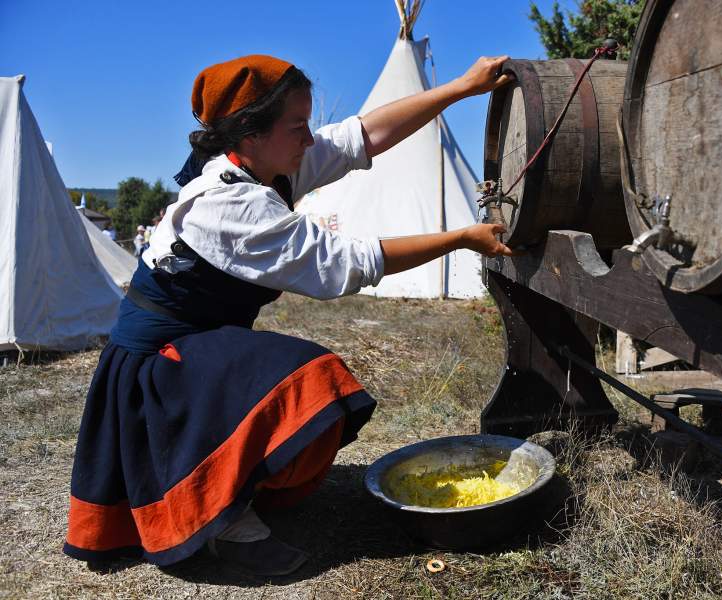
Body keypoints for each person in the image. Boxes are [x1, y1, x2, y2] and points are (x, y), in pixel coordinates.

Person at [64, 53, 513, 576]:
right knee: (308, 378)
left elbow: (361, 138)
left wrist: (460, 87)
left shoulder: (263, 167)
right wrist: (461, 238)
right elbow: (344, 264)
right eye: (298, 126)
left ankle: (233, 488)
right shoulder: (229, 206)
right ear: (250, 133)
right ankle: (226, 523)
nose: (309, 138)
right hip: (158, 372)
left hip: (193, 351)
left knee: (281, 378)